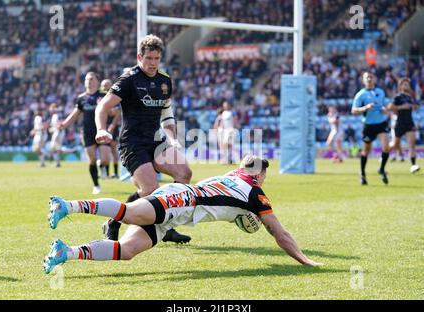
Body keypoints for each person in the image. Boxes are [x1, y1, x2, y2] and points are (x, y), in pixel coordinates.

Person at [43, 155, 323, 274]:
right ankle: (66, 206)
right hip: (181, 201)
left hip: (181, 211)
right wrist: (305, 260)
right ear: (260, 175)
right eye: (263, 174)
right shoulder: (255, 194)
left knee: (128, 250)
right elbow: (279, 233)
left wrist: (243, 218)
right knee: (128, 214)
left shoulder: (233, 175)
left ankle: (65, 253)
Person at [95, 34, 192, 243]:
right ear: (140, 56)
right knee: (149, 191)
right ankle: (113, 222)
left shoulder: (164, 80)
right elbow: (102, 106)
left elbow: (167, 113)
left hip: (156, 140)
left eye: (156, 59)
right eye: (149, 58)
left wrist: (173, 138)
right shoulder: (129, 79)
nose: (152, 63)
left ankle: (168, 228)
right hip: (133, 143)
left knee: (184, 173)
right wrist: (101, 129)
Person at [59, 72, 111, 194]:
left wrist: (102, 106)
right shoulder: (82, 98)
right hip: (88, 132)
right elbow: (75, 114)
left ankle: (102, 167)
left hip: (102, 130)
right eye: (87, 79)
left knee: (104, 159)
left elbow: (113, 112)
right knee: (92, 160)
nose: (89, 81)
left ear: (97, 81)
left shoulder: (104, 95)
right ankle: (96, 185)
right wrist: (64, 124)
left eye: (92, 79)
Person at [351, 71, 390, 185]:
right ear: (363, 80)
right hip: (368, 126)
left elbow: (384, 106)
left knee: (386, 147)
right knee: (366, 151)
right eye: (367, 78)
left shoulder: (380, 92)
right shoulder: (360, 94)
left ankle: (382, 169)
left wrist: (384, 110)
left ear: (374, 79)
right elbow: (353, 110)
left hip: (381, 124)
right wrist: (365, 108)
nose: (369, 79)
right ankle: (363, 174)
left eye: (371, 77)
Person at [388, 77, 420, 173]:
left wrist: (414, 107)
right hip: (400, 123)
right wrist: (402, 107)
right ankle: (384, 154)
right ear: (400, 86)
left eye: (408, 84)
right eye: (404, 84)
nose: (407, 86)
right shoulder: (398, 97)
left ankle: (413, 165)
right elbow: (390, 107)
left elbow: (413, 107)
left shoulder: (410, 97)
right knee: (394, 144)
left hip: (409, 122)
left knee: (412, 144)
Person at [100, 79, 121, 178]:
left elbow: (116, 113)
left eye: (107, 85)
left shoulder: (114, 97)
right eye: (104, 85)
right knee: (106, 150)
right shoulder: (100, 97)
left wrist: (112, 125)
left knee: (113, 149)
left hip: (113, 127)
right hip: (103, 126)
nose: (105, 87)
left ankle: (116, 173)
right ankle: (107, 173)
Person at [48, 103, 64, 168]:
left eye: (51, 108)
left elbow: (60, 124)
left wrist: (53, 129)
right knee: (55, 148)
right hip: (57, 133)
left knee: (53, 147)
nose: (50, 109)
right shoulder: (55, 115)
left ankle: (55, 160)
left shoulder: (57, 115)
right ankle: (57, 162)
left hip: (58, 133)